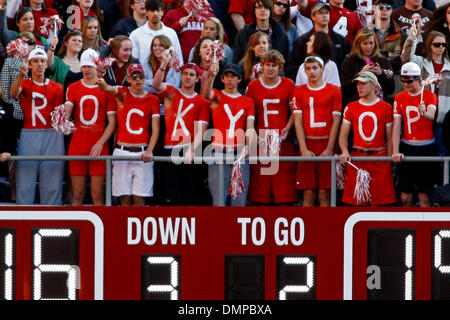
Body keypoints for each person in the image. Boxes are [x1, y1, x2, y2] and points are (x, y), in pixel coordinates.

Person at [97, 63, 160, 206]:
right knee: (124, 197)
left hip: (142, 152)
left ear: (145, 79)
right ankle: (124, 228)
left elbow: (155, 129)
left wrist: (150, 150)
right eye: (134, 77)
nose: (138, 80)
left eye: (141, 77)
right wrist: (101, 81)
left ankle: (140, 228)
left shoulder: (153, 99)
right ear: (129, 79)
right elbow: (106, 88)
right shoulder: (122, 93)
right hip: (122, 150)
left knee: (140, 198)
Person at [10, 47, 65, 205]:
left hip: (52, 134)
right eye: (35, 61)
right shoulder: (25, 83)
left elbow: (59, 115)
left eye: (42, 61)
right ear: (30, 64)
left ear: (47, 64)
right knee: (25, 180)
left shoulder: (57, 87)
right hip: (29, 133)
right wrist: (21, 74)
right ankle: (23, 219)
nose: (39, 64)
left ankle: (52, 220)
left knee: (52, 181)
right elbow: (13, 94)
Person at [152, 54, 210, 205]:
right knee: (172, 193)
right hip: (170, 147)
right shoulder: (172, 92)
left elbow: (201, 131)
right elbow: (157, 85)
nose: (187, 77)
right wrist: (164, 63)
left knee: (191, 192)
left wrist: (192, 149)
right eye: (185, 74)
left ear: (197, 79)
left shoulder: (201, 102)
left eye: (191, 75)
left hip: (190, 148)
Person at [64, 48, 117, 206]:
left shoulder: (106, 89)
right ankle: (75, 228)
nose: (87, 70)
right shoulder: (73, 87)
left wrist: (101, 142)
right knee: (77, 195)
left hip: (98, 145)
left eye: (90, 66)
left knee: (98, 195)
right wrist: (63, 118)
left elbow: (112, 122)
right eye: (84, 66)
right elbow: (67, 114)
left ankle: (102, 230)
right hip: (78, 144)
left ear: (97, 67)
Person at [245, 49, 297, 206]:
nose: (270, 68)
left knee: (284, 191)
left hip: (282, 141)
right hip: (262, 141)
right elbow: (248, 115)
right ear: (262, 66)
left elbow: (295, 111)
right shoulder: (253, 86)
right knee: (260, 192)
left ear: (280, 67)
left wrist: (288, 127)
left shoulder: (288, 84)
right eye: (267, 65)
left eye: (274, 65)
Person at [338, 71, 397, 206]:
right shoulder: (351, 107)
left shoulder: (386, 108)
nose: (359, 87)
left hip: (379, 158)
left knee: (379, 203)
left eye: (363, 84)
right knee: (357, 202)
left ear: (373, 85)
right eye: (358, 84)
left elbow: (390, 136)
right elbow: (343, 134)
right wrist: (344, 150)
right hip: (357, 158)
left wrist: (389, 161)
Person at [202, 63, 256, 206]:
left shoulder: (247, 101)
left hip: (239, 153)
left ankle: (236, 228)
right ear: (223, 79)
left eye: (233, 76)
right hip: (219, 152)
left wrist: (248, 147)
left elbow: (250, 128)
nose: (230, 79)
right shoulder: (217, 95)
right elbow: (205, 95)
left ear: (239, 79)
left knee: (239, 201)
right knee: (219, 201)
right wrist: (211, 75)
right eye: (227, 76)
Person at [291, 56, 342, 207]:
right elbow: (297, 121)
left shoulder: (334, 91)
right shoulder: (299, 92)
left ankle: (325, 229)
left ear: (322, 69)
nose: (312, 71)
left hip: (326, 143)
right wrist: (303, 148)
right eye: (308, 68)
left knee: (324, 192)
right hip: (307, 142)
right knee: (308, 192)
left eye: (315, 68)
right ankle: (308, 229)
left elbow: (336, 120)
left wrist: (330, 147)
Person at [392, 62, 438, 207]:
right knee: (405, 196)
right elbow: (397, 126)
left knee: (424, 196)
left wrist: (423, 111)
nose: (406, 84)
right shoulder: (399, 97)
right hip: (407, 147)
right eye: (403, 81)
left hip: (426, 148)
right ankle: (407, 228)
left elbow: (431, 114)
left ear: (418, 79)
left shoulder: (429, 95)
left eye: (409, 81)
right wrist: (395, 151)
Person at [401, 29, 450, 156]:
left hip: (443, 120)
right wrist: (412, 38)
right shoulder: (421, 62)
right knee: (423, 156)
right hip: (422, 118)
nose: (441, 47)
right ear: (429, 45)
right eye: (437, 44)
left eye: (443, 45)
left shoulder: (449, 67)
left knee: (442, 154)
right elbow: (406, 58)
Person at [286, 1, 350, 81]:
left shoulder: (341, 41)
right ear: (313, 16)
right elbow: (293, 68)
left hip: (334, 86)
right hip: (307, 88)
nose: (324, 16)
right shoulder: (302, 41)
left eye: (327, 13)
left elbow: (347, 67)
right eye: (320, 13)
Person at [340, 28, 395, 106]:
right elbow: (345, 88)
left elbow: (391, 89)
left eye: (371, 43)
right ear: (359, 44)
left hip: (379, 103)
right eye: (365, 44)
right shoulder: (350, 61)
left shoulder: (382, 60)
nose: (369, 47)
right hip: (357, 103)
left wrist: (381, 73)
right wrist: (359, 74)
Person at [129, 0, 183, 71]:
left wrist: (172, 82)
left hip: (167, 80)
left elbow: (179, 62)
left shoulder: (171, 33)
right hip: (143, 79)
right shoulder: (136, 35)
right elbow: (133, 63)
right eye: (152, 10)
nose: (155, 14)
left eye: (158, 10)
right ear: (147, 12)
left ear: (163, 12)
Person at [232, 0, 289, 66]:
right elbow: (236, 61)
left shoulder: (281, 34)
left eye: (266, 8)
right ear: (254, 11)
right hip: (248, 72)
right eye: (259, 7)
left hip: (274, 73)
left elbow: (286, 61)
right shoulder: (243, 33)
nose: (263, 10)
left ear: (271, 11)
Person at [372, 0, 406, 98]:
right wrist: (372, 64)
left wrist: (379, 56)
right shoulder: (366, 32)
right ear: (374, 10)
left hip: (393, 81)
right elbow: (362, 55)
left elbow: (401, 59)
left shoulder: (401, 35)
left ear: (391, 11)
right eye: (381, 7)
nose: (384, 10)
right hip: (372, 80)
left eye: (388, 7)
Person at [296, 0, 363, 45]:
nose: (324, 14)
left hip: (345, 58)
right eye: (322, 13)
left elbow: (362, 41)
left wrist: (369, 63)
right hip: (321, 52)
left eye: (326, 13)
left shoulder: (354, 16)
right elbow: (301, 2)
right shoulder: (320, 8)